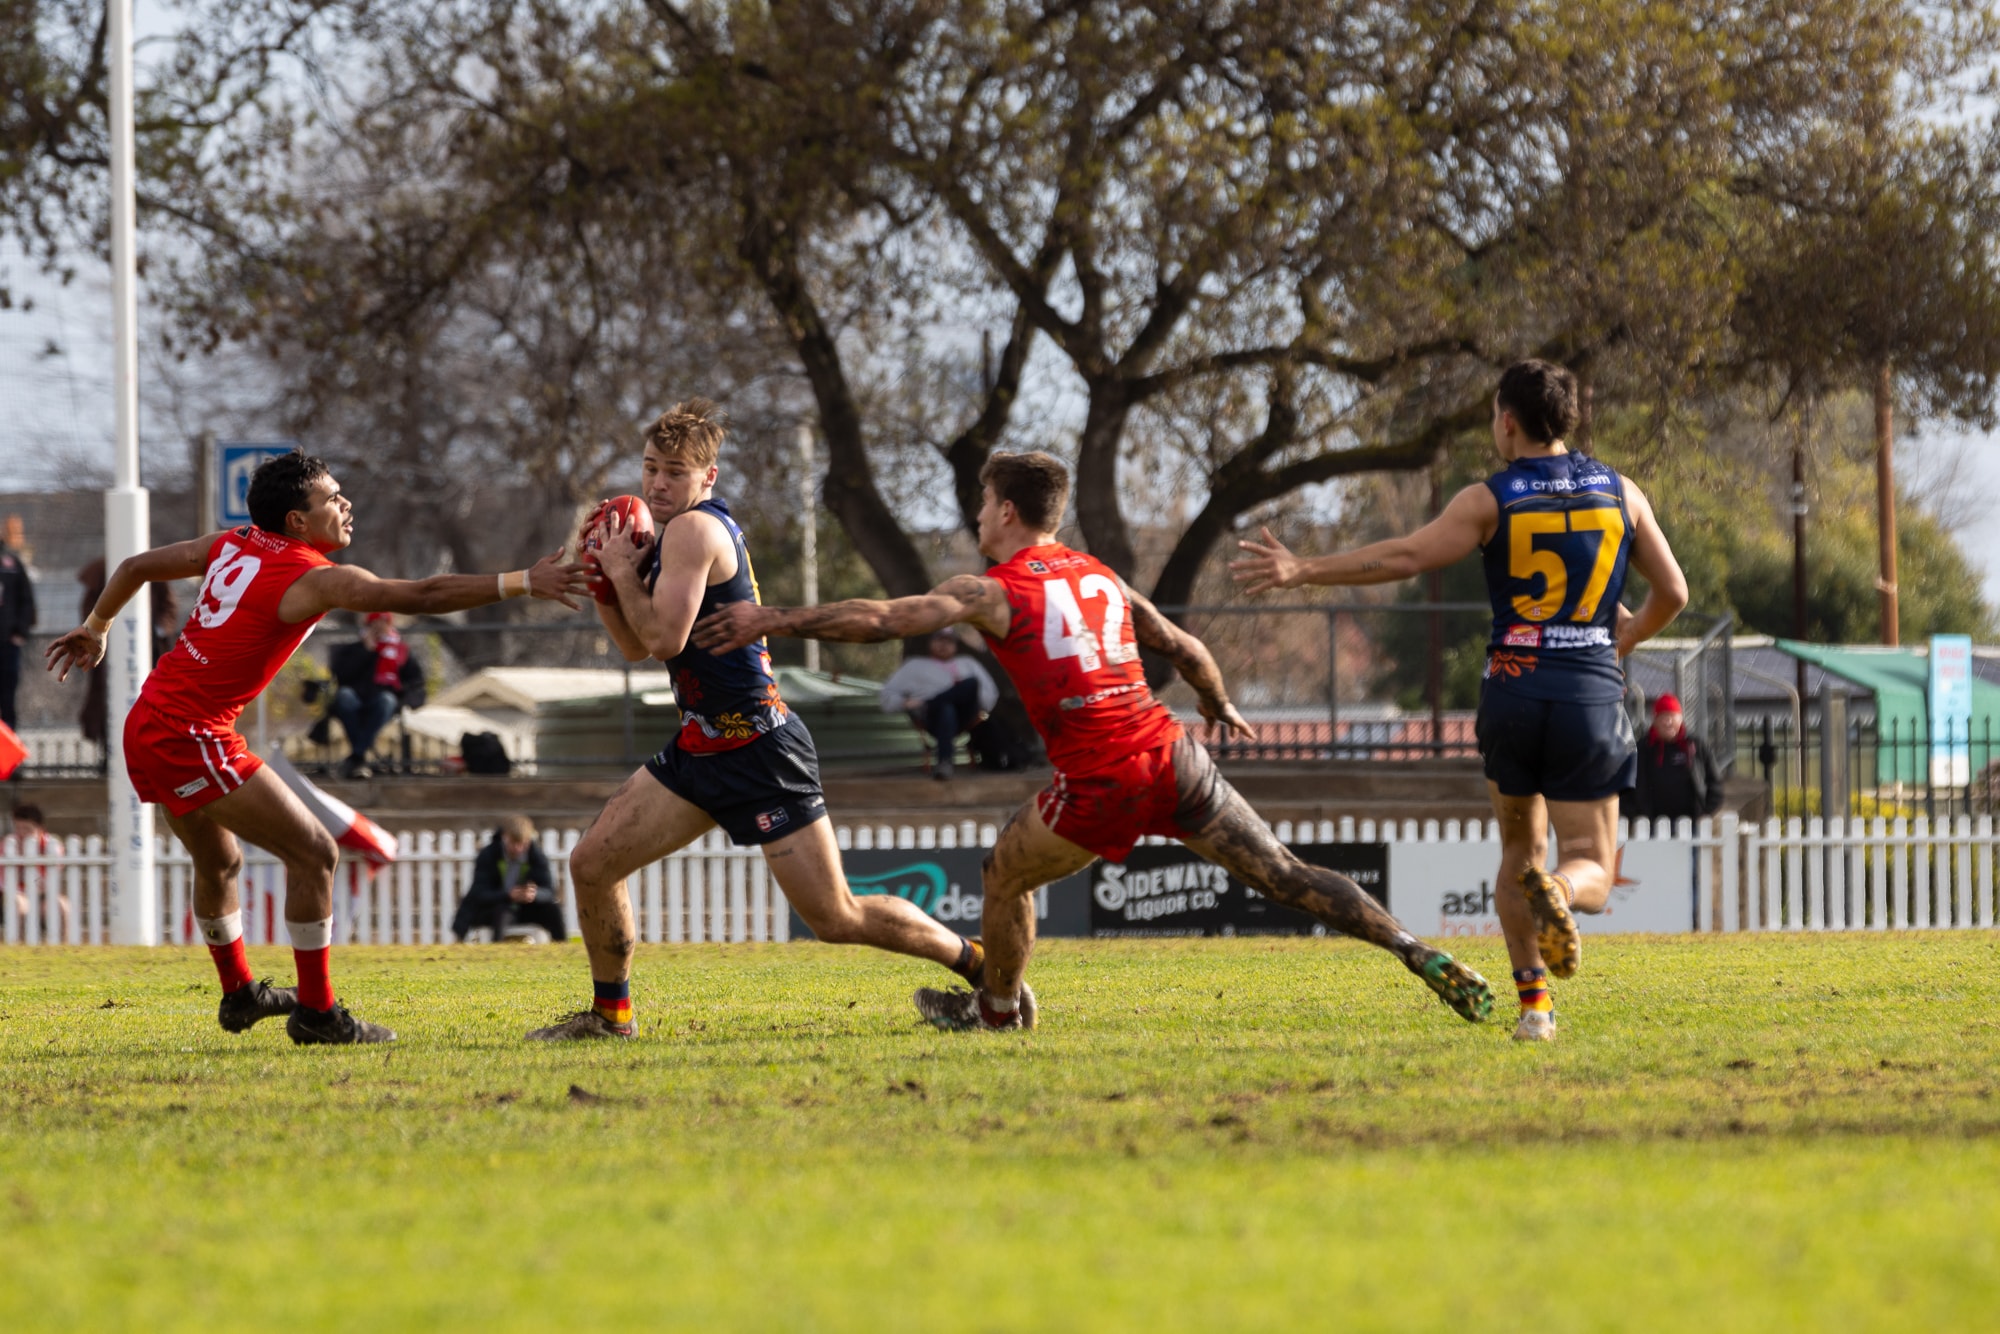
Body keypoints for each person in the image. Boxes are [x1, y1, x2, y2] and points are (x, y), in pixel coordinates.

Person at [694, 450, 1494, 1033]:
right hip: (1175, 754)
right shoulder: (1100, 574)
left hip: (1103, 776)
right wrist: (1217, 706)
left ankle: (999, 1011)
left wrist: (775, 619)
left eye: (981, 503)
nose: (976, 517)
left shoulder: (992, 590)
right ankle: (1410, 947)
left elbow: (883, 621)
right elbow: (1185, 648)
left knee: (1004, 874)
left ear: (1007, 510)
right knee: (1287, 873)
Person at [46, 449, 590, 1044]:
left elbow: (134, 565)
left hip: (154, 719)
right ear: (298, 522)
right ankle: (317, 1014)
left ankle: (239, 995)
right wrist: (523, 581)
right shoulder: (316, 578)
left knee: (220, 861)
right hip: (190, 734)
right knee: (315, 855)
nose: (345, 503)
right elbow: (426, 595)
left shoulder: (234, 542)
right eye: (332, 497)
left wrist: (97, 627)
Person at [1233, 359, 1689, 1043]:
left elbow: (1406, 557)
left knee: (1516, 855)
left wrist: (1304, 570)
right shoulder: (1622, 493)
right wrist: (1616, 641)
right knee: (1590, 860)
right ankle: (1562, 895)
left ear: (1508, 422)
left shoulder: (1491, 498)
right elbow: (1674, 594)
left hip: (1511, 693)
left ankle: (1535, 1009)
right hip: (1586, 694)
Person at [525, 400, 993, 1041]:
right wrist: (610, 589)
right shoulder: (665, 539)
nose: (658, 484)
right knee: (592, 864)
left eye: (675, 473)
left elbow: (663, 638)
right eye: (650, 469)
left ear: (707, 478)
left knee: (836, 916)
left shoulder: (692, 531)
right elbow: (636, 646)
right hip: (700, 748)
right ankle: (611, 1018)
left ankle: (978, 963)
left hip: (760, 749)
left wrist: (619, 577)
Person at [879, 629, 999, 779]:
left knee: (970, 683)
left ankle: (932, 702)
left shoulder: (968, 663)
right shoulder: (914, 665)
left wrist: (979, 706)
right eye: (939, 640)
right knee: (946, 709)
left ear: (955, 645)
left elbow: (990, 693)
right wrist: (903, 702)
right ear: (930, 642)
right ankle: (944, 762)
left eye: (948, 641)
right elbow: (886, 695)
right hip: (931, 717)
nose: (943, 645)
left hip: (965, 715)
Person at [322, 611, 426, 778]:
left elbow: (416, 681)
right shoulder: (353, 649)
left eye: (382, 626)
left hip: (382, 702)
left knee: (387, 700)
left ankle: (356, 756)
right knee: (345, 696)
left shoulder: (401, 652)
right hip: (354, 700)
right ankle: (359, 756)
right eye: (374, 626)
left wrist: (408, 700)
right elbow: (342, 675)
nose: (378, 631)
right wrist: (367, 650)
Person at [451, 814, 567, 943]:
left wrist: (535, 894)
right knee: (502, 911)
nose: (518, 849)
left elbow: (549, 891)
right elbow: (479, 893)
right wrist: (508, 895)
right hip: (493, 910)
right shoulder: (488, 855)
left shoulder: (537, 857)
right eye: (514, 843)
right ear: (504, 837)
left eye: (523, 844)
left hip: (527, 909)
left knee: (553, 909)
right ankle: (496, 947)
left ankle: (561, 946)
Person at [1630, 694, 1724, 823]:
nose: (1667, 722)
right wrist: (1636, 815)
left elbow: (1715, 783)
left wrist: (1706, 811)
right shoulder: (1642, 749)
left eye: (1672, 716)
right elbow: (1626, 787)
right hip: (1650, 825)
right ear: (1654, 720)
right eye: (1662, 717)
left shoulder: (1696, 745)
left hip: (1692, 822)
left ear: (1680, 719)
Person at [8, 803, 66, 939]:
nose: (21, 833)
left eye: (27, 829)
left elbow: (48, 881)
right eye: (18, 828)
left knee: (62, 906)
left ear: (40, 829)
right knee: (18, 904)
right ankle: (18, 949)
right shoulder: (7, 845)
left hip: (43, 895)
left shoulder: (52, 846)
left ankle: (64, 948)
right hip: (15, 894)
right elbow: (4, 882)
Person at [0, 528, 35, 731]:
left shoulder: (11, 564)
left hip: (7, 643)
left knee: (7, 699)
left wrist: (20, 632)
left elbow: (27, 600)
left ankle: (7, 755)